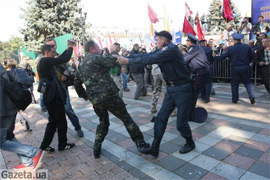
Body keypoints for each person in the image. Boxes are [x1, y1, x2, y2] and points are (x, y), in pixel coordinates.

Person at [116, 31, 195, 157]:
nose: (155, 42)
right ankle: (155, 147)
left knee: (181, 123)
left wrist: (127, 61)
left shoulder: (171, 49)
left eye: (157, 39)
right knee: (161, 118)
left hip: (182, 89)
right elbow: (146, 56)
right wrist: (127, 59)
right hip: (171, 89)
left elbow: (149, 59)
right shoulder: (162, 49)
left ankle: (190, 142)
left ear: (164, 40)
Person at [74, 40, 149, 159]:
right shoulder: (94, 58)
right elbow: (111, 62)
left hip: (96, 100)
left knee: (103, 123)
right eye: (98, 48)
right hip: (109, 95)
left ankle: (96, 148)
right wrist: (112, 51)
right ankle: (140, 143)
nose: (100, 50)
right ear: (92, 49)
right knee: (126, 118)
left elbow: (77, 82)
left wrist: (83, 95)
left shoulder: (81, 65)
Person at [0, 64, 44, 171]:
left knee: (1, 141)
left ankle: (34, 152)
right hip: (9, 106)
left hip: (3, 110)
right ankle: (27, 162)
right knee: (9, 137)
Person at [37, 43, 75, 152]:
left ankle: (45, 145)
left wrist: (67, 48)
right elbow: (64, 59)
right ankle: (62, 144)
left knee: (53, 122)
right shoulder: (46, 60)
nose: (55, 53)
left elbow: (59, 58)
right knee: (61, 121)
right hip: (53, 97)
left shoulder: (43, 62)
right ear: (47, 53)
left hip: (49, 96)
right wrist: (71, 47)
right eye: (53, 52)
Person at [45, 38, 84, 137]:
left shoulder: (57, 56)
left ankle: (77, 127)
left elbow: (69, 67)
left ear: (56, 46)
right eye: (49, 46)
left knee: (67, 108)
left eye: (53, 45)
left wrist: (65, 75)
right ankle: (53, 131)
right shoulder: (44, 59)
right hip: (50, 89)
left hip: (62, 86)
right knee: (52, 111)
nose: (52, 48)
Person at [215, 33, 255, 104]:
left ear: (234, 40)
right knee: (247, 83)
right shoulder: (247, 47)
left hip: (235, 68)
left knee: (234, 84)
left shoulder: (231, 48)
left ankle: (235, 99)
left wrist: (213, 57)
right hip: (245, 66)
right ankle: (251, 97)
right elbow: (252, 56)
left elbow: (223, 57)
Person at [184, 34, 211, 121]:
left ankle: (189, 115)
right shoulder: (195, 48)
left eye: (187, 41)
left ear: (190, 42)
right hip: (201, 72)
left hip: (201, 72)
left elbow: (185, 59)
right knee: (193, 93)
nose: (186, 43)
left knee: (193, 93)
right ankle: (190, 113)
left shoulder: (195, 48)